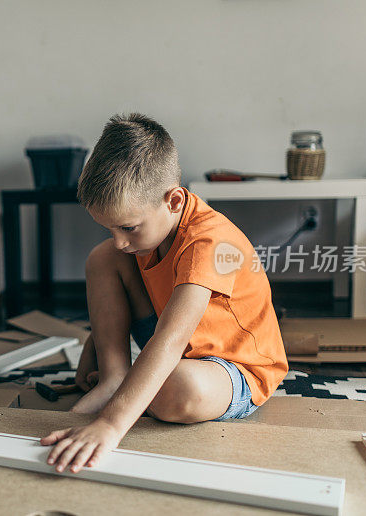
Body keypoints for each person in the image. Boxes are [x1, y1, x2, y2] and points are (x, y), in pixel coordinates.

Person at [40, 114, 288, 473]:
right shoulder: (142, 235)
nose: (121, 241)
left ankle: (128, 391)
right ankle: (115, 379)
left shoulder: (210, 242)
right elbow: (154, 320)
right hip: (172, 336)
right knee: (102, 258)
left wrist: (110, 425)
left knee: (178, 389)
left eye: (128, 227)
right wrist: (101, 342)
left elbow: (170, 341)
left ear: (173, 200)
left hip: (234, 367)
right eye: (111, 228)